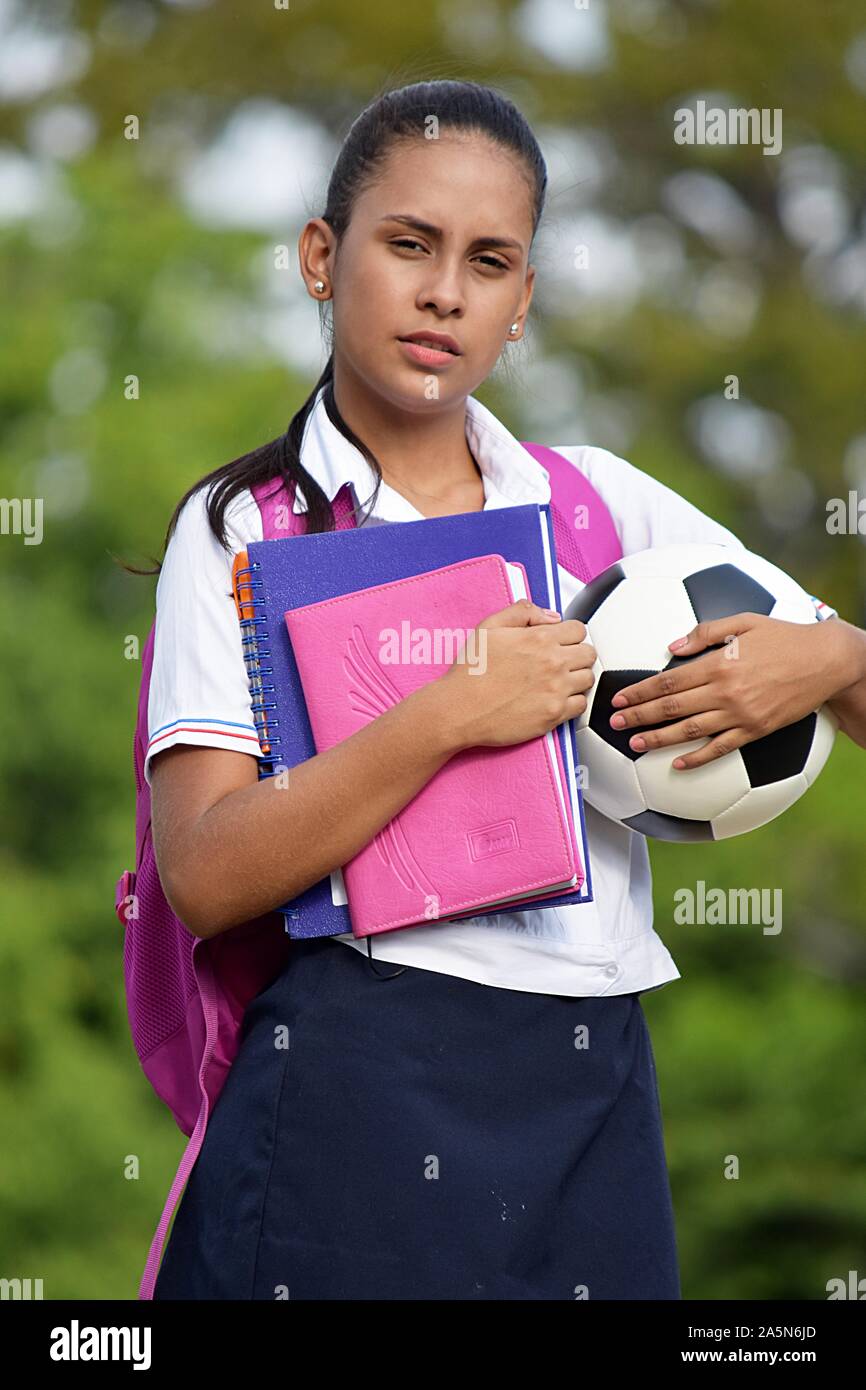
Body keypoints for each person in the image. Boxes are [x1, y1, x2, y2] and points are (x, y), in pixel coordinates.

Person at [139, 79, 866, 1300]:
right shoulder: (239, 533)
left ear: (522, 302)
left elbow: (843, 687)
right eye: (407, 245)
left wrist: (834, 656)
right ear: (322, 255)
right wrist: (446, 712)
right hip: (350, 1083)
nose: (444, 293)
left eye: (490, 262)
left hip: (589, 1088)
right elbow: (204, 874)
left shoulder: (601, 507)